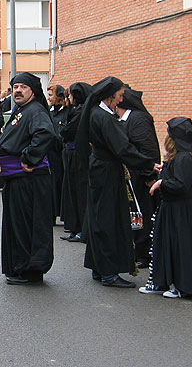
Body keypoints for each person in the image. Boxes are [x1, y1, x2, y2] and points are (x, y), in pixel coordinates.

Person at [76, 77, 159, 288]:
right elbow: (123, 149)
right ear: (110, 94)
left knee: (98, 218)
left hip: (100, 170)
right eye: (120, 95)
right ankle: (109, 273)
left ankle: (99, 266)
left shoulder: (96, 113)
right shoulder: (105, 117)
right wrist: (148, 165)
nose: (122, 99)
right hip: (107, 172)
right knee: (108, 220)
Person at [0, 73, 55, 285]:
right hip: (16, 181)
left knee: (27, 226)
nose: (17, 90)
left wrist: (29, 158)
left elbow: (45, 134)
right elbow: (19, 138)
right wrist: (0, 148)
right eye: (15, 86)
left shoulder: (35, 110)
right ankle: (18, 266)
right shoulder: (21, 111)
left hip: (29, 180)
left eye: (23, 87)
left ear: (32, 91)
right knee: (17, 225)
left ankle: (29, 269)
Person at [146, 117, 192, 299]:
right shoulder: (180, 157)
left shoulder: (184, 158)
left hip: (180, 209)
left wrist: (163, 181)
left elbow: (181, 185)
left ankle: (181, 285)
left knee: (181, 246)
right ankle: (169, 281)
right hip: (173, 207)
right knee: (170, 245)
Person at [115, 86, 161, 268]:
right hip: (129, 176)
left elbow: (148, 149)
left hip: (140, 177)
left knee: (142, 213)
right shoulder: (122, 120)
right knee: (133, 214)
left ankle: (143, 252)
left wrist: (149, 175)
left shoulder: (138, 120)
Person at [59, 82, 91, 242]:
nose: (69, 99)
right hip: (70, 154)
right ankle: (74, 227)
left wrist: (64, 129)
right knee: (71, 191)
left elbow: (66, 131)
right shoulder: (74, 111)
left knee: (80, 191)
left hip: (78, 156)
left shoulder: (81, 112)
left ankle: (81, 229)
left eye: (71, 95)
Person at [47, 84, 69, 224]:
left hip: (61, 153)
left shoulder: (66, 112)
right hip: (50, 153)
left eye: (50, 95)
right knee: (52, 184)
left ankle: (64, 214)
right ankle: (52, 213)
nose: (48, 98)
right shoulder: (49, 112)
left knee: (62, 182)